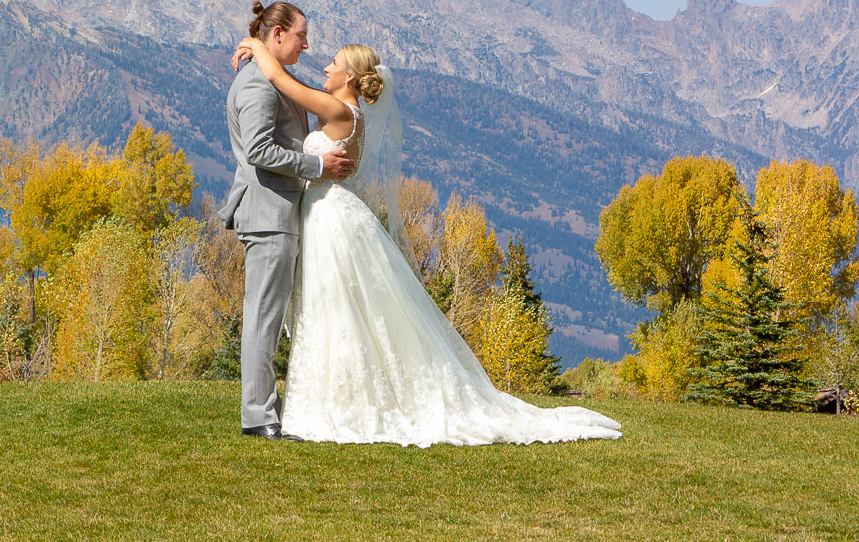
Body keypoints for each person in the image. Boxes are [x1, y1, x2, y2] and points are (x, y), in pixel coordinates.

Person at [234, 34, 622, 446]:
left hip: (330, 216)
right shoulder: (349, 112)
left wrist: (257, 46)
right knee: (331, 305)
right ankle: (326, 400)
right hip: (325, 213)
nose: (325, 67)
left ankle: (341, 403)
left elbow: (280, 78)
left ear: (349, 76)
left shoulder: (337, 108)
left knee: (336, 304)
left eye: (333, 62)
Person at [219, 0, 354, 438]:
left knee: (269, 316)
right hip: (269, 213)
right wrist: (317, 167)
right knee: (264, 317)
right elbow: (259, 150)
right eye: (300, 35)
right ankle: (258, 418)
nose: (307, 44)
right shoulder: (259, 84)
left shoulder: (268, 75)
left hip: (275, 212)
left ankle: (266, 412)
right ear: (276, 34)